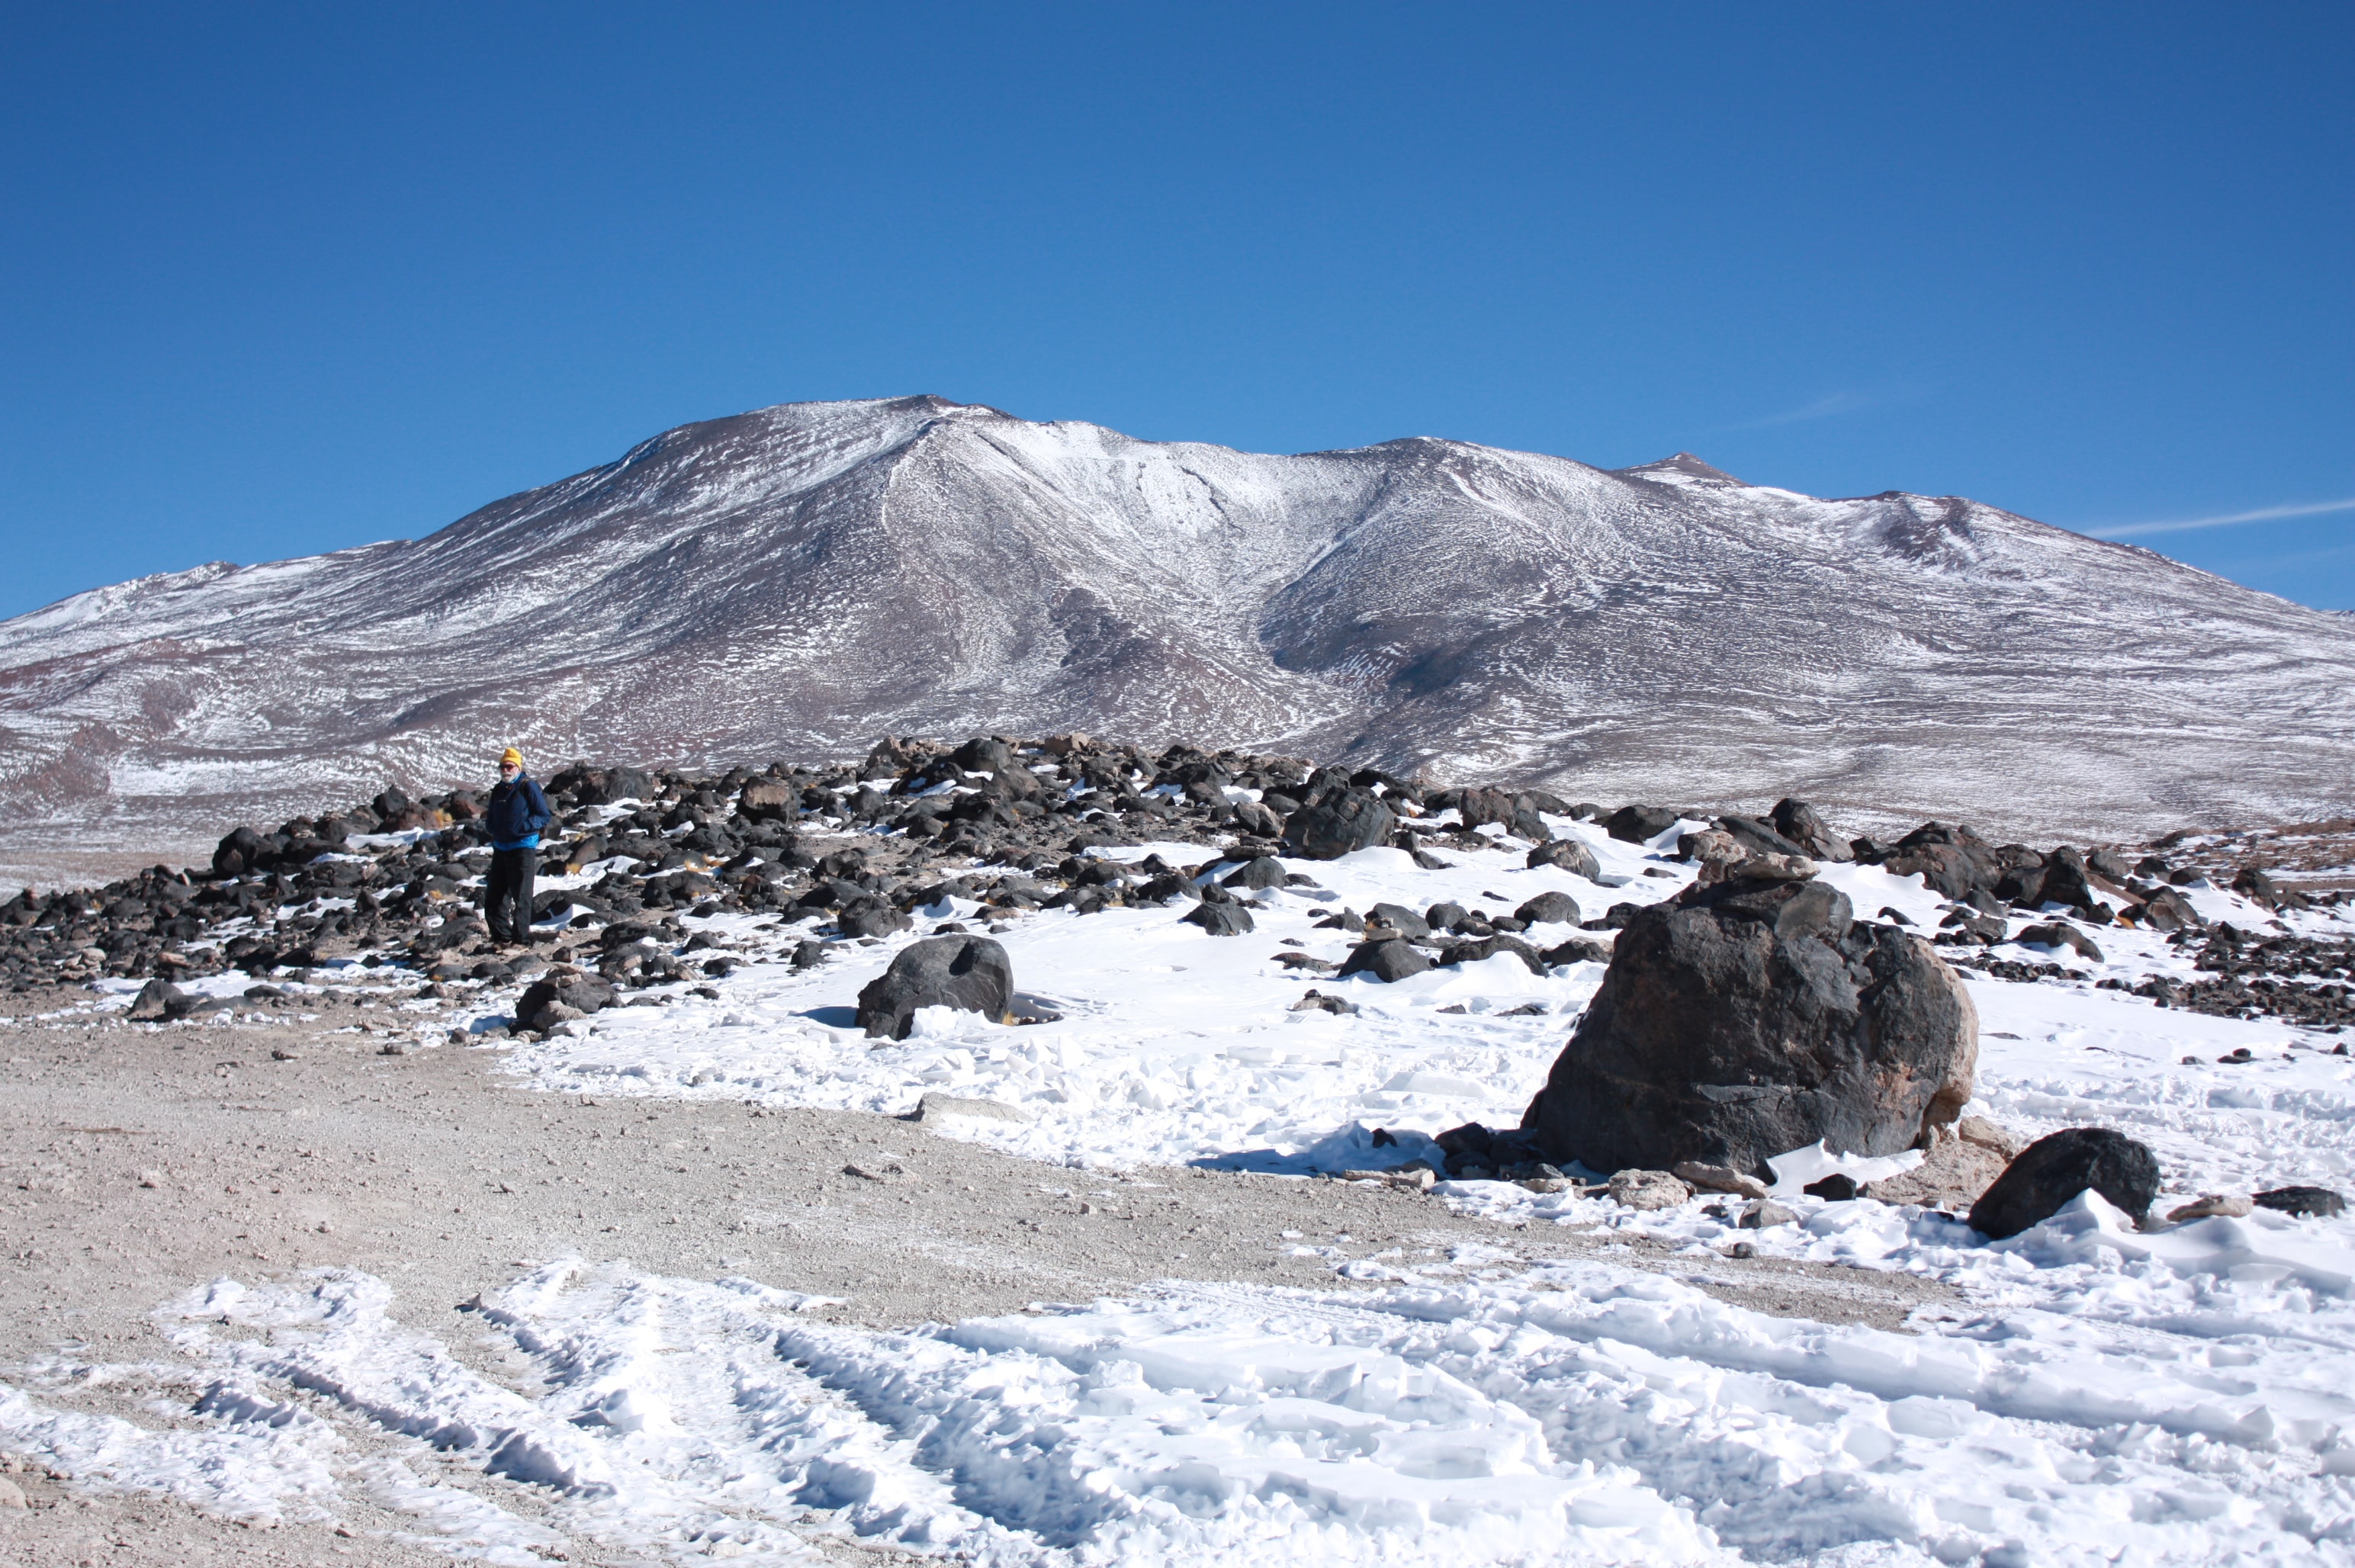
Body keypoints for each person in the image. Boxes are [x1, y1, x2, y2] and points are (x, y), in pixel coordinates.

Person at [484, 746, 554, 946]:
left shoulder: (527, 786)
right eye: (502, 767)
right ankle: (501, 936)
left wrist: (523, 827)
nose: (505, 770)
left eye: (509, 766)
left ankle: (521, 939)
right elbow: (491, 815)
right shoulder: (498, 789)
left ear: (517, 767)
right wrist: (492, 828)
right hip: (501, 847)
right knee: (495, 898)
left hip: (523, 847)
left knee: (522, 896)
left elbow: (544, 815)